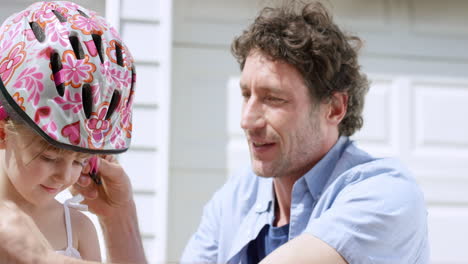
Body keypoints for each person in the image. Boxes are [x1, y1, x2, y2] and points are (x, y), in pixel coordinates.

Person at [0, 1, 430, 264]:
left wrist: (39, 258)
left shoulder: (383, 196)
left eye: (273, 99)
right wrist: (119, 218)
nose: (247, 119)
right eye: (246, 95)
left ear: (334, 107)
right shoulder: (236, 201)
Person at [0, 1, 137, 263]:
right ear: (3, 132)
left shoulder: (78, 229)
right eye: (49, 157)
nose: (65, 176)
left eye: (80, 161)